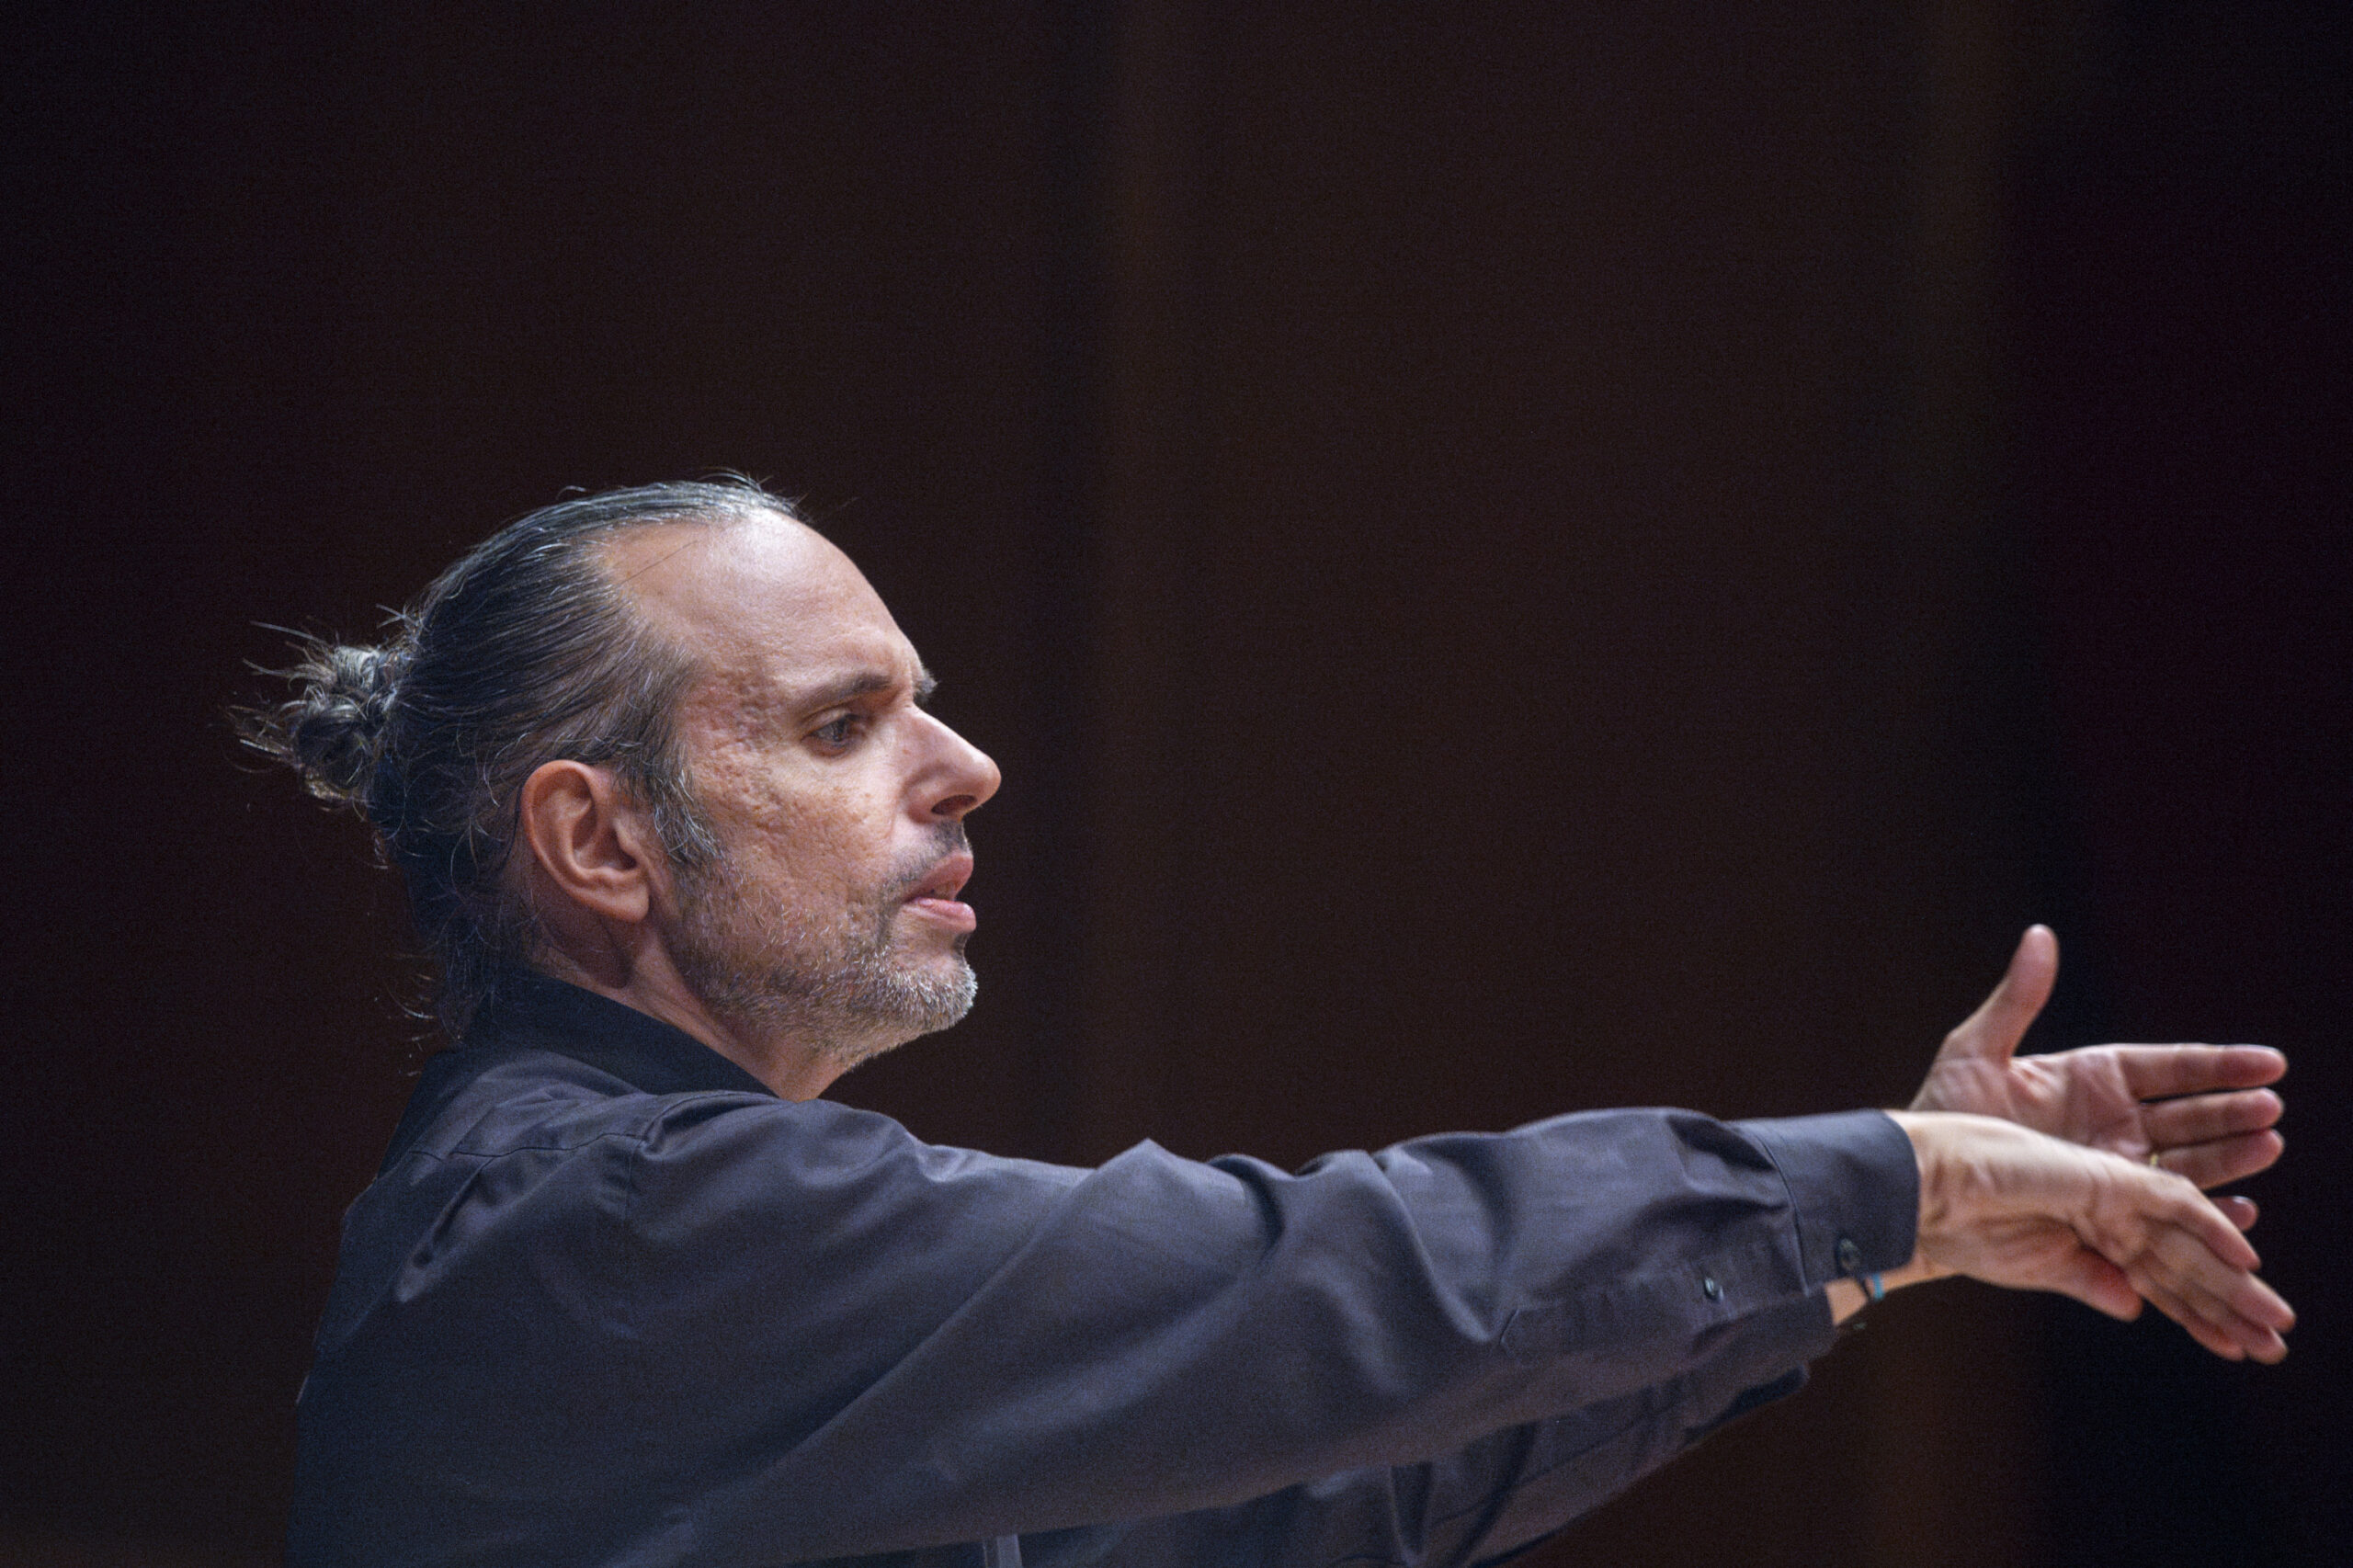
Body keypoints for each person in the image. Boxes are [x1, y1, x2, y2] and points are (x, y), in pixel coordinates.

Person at [244, 480, 2291, 1567]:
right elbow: (1316, 1282)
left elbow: (1311, 1506)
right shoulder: (605, 1226)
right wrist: (1885, 1181)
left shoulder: (692, 1256)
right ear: (599, 841)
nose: (965, 766)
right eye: (844, 724)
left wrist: (1861, 1251)